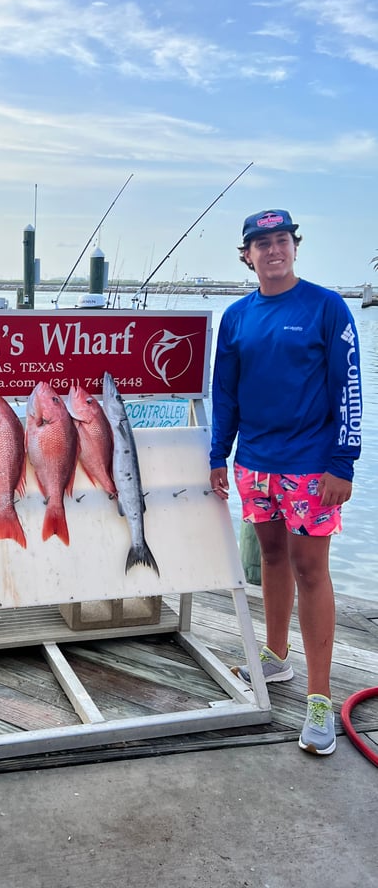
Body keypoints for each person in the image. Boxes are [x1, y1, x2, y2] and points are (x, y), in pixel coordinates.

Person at [209, 209, 362, 756]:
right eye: (260, 243)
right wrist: (217, 454)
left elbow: (349, 387)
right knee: (271, 559)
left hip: (310, 466)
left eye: (281, 240)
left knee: (311, 570)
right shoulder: (236, 317)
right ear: (246, 255)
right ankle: (275, 657)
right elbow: (224, 391)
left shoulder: (326, 307)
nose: (272, 250)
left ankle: (319, 697)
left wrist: (343, 462)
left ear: (294, 247)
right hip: (254, 463)